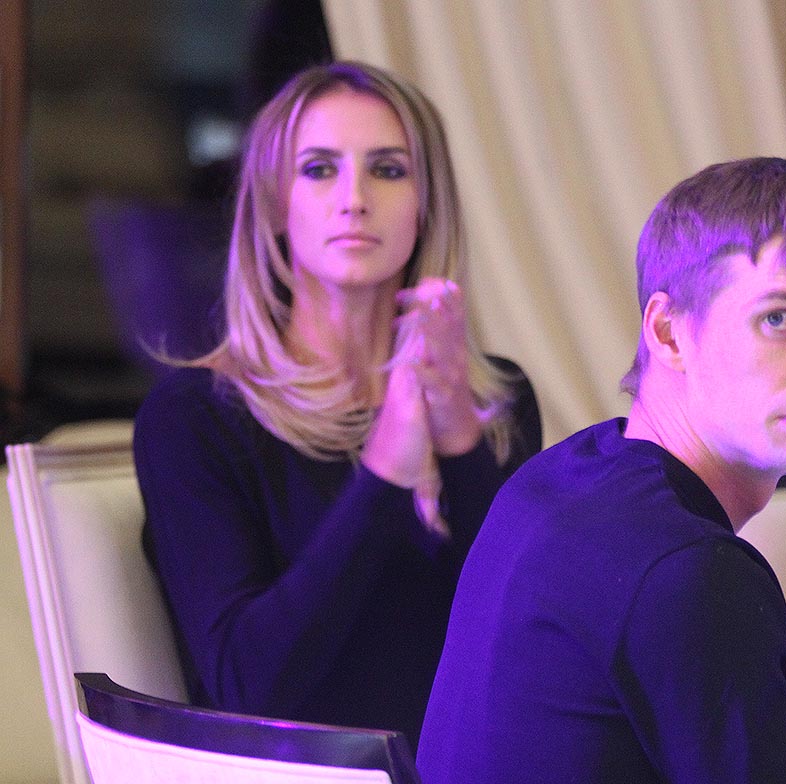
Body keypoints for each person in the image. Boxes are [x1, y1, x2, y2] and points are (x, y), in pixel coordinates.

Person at [416, 157, 786, 783]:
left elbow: (755, 753)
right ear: (669, 333)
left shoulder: (568, 476)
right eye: (779, 319)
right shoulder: (685, 566)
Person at [133, 61, 542, 746]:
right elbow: (250, 689)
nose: (355, 199)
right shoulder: (194, 419)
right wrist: (383, 474)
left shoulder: (498, 402)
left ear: (427, 204)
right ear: (273, 206)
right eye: (319, 169)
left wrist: (459, 442)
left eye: (388, 170)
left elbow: (530, 645)